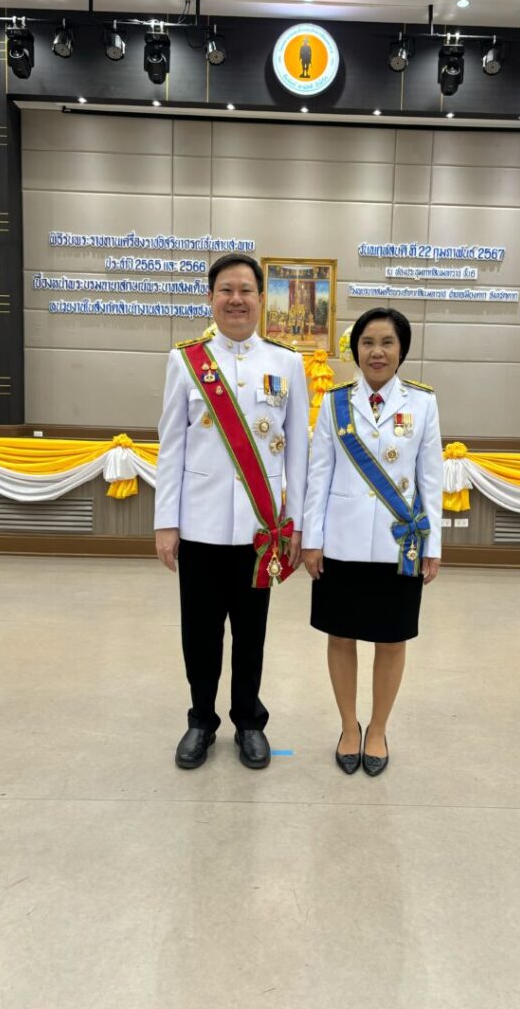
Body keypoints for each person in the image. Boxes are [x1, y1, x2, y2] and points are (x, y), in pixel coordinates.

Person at [154, 253, 310, 770]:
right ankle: (201, 720)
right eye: (226, 290)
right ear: (211, 298)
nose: (236, 299)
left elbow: (298, 453)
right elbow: (171, 447)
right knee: (199, 633)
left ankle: (249, 722)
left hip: (260, 531)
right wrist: (166, 523)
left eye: (246, 290)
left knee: (251, 633)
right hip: (199, 526)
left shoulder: (286, 364)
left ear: (262, 299)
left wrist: (296, 524)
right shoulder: (185, 361)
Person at [301, 308, 443, 776]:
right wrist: (312, 539)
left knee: (392, 638)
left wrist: (433, 546)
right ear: (355, 349)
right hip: (340, 541)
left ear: (402, 350)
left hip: (397, 544)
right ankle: (348, 726)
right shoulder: (335, 403)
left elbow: (430, 479)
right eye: (367, 342)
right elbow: (318, 476)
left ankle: (378, 728)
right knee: (340, 634)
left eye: (387, 342)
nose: (377, 352)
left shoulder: (423, 403)